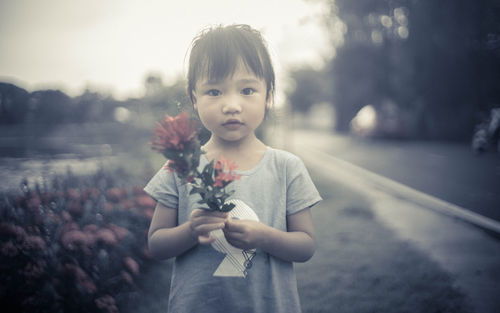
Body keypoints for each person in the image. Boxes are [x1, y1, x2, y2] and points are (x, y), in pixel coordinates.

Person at [144, 24, 322, 313]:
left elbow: (306, 246)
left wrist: (264, 236)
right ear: (194, 98)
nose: (231, 105)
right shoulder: (180, 166)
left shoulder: (287, 167)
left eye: (247, 90)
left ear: (268, 96)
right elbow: (157, 244)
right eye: (214, 91)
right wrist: (191, 230)